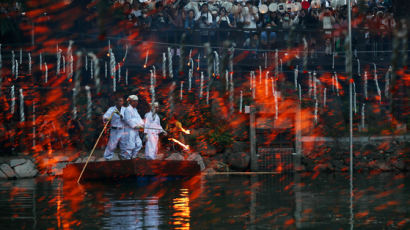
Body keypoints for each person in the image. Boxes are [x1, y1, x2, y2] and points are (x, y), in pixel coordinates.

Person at [102, 96, 126, 160]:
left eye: (121, 101)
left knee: (124, 144)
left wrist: (122, 117)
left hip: (123, 129)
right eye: (118, 101)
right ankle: (107, 157)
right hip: (114, 130)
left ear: (123, 102)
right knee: (112, 145)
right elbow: (106, 116)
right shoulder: (112, 109)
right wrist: (106, 118)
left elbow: (128, 119)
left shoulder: (125, 109)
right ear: (116, 102)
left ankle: (124, 157)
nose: (120, 102)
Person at [122, 95, 144, 159]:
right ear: (131, 101)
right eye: (135, 101)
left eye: (137, 101)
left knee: (139, 144)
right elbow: (128, 120)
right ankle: (127, 159)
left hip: (136, 131)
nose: (136, 103)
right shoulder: (127, 110)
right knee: (130, 146)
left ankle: (133, 156)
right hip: (129, 131)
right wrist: (134, 126)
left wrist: (142, 125)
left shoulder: (135, 110)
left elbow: (139, 118)